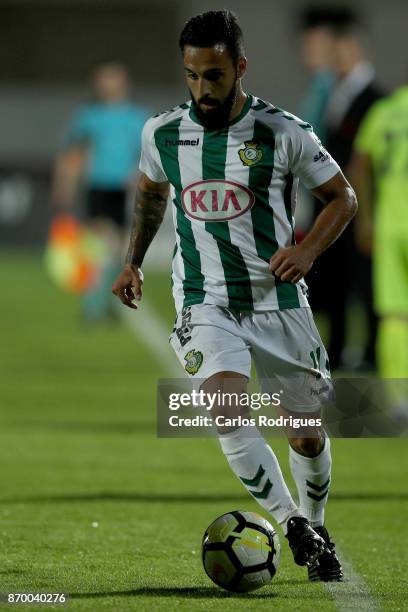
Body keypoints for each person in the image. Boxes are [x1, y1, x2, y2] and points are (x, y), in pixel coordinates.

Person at [112, 10, 357, 581]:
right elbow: (151, 195)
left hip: (279, 303)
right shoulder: (163, 132)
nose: (202, 89)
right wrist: (130, 261)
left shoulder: (283, 131)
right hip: (204, 299)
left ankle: (315, 523)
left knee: (306, 431)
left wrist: (308, 250)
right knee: (225, 409)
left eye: (215, 76)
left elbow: (342, 197)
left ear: (240, 68)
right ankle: (290, 521)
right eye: (193, 76)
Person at [306, 14, 383, 370]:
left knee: (366, 283)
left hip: (361, 205)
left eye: (337, 52)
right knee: (335, 280)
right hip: (333, 204)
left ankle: (371, 352)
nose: (332, 59)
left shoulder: (376, 99)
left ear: (352, 50)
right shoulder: (334, 93)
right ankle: (336, 351)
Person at [52, 61, 150, 322]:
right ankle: (92, 307)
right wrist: (64, 186)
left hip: (126, 189)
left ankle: (106, 301)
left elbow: (149, 154)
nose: (106, 84)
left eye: (112, 79)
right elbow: (73, 153)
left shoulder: (137, 117)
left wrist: (140, 176)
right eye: (103, 79)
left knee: (117, 250)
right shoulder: (89, 116)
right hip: (99, 186)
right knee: (99, 245)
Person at [352, 84, 408, 401]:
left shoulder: (383, 112)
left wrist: (366, 219)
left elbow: (359, 166)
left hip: (389, 226)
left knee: (394, 315)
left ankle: (400, 399)